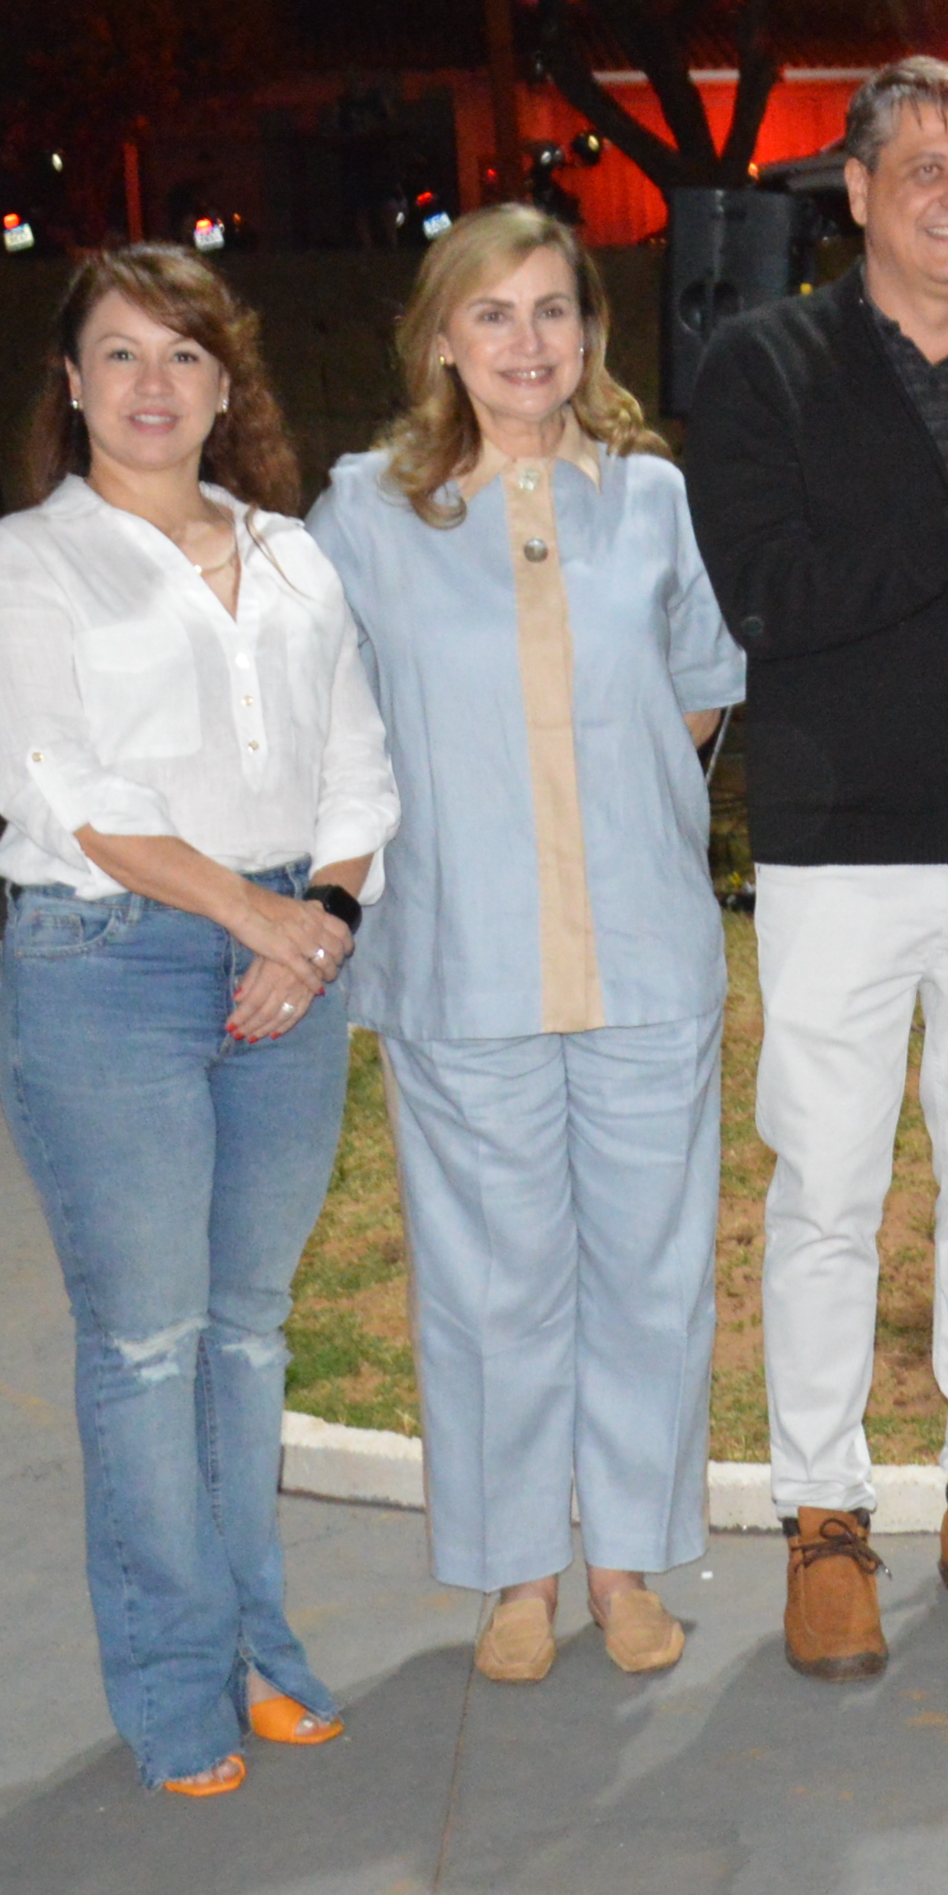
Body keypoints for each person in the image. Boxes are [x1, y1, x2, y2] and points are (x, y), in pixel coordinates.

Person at [681, 57, 948, 1679]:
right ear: (854, 193)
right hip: (837, 855)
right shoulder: (762, 366)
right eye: (924, 169)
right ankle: (825, 1520)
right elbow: (768, 600)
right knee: (828, 1194)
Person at [0, 249, 394, 1797]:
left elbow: (358, 765)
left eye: (184, 355)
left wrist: (319, 922)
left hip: (292, 962)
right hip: (112, 969)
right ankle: (171, 1687)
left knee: (248, 1336)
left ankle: (259, 1651)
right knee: (147, 1346)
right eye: (122, 354)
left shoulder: (294, 555)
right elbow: (67, 791)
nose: (154, 384)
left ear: (225, 384)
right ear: (72, 384)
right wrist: (257, 919)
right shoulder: (29, 564)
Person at [310, 206, 745, 1688]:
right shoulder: (366, 513)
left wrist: (618, 790)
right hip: (464, 962)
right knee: (491, 1288)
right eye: (492, 314)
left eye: (554, 310)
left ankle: (625, 1563)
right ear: (441, 338)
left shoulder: (653, 500)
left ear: (590, 332)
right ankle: (515, 1573)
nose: (527, 341)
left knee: (649, 1280)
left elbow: (699, 686)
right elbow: (323, 712)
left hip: (645, 956)